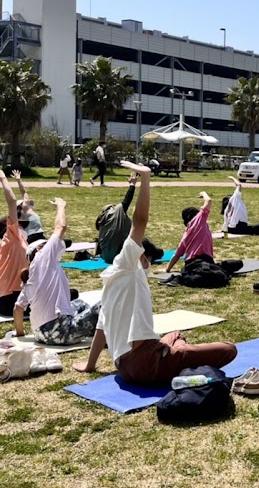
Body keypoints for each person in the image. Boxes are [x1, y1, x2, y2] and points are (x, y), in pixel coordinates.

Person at [75, 161, 237, 383]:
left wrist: (89, 366)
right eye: (149, 259)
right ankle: (176, 361)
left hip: (125, 367)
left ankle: (176, 356)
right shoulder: (127, 262)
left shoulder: (110, 282)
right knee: (229, 349)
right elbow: (140, 221)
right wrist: (146, 179)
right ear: (142, 255)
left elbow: (100, 331)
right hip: (146, 362)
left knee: (175, 335)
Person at [13, 198, 99, 345]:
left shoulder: (32, 276)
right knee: (103, 306)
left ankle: (92, 330)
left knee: (80, 304)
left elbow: (18, 309)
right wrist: (61, 206)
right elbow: (61, 227)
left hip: (39, 333)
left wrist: (20, 334)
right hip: (59, 332)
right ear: (40, 250)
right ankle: (107, 336)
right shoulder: (43, 257)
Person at [164, 191, 216, 273]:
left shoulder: (186, 234)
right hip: (207, 261)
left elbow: (177, 255)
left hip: (190, 264)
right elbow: (208, 201)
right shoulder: (199, 220)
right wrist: (203, 194)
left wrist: (167, 269)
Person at [0, 170, 28, 318]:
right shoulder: (12, 239)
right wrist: (3, 178)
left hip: (3, 301)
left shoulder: (6, 244)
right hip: (15, 300)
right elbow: (11, 201)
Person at [95, 174, 137, 264]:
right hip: (118, 256)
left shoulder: (102, 221)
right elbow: (127, 200)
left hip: (105, 256)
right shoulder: (116, 212)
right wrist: (132, 184)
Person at [12, 170, 45, 244]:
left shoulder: (17, 216)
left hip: (29, 238)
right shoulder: (26, 209)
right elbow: (24, 192)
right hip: (38, 236)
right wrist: (19, 180)